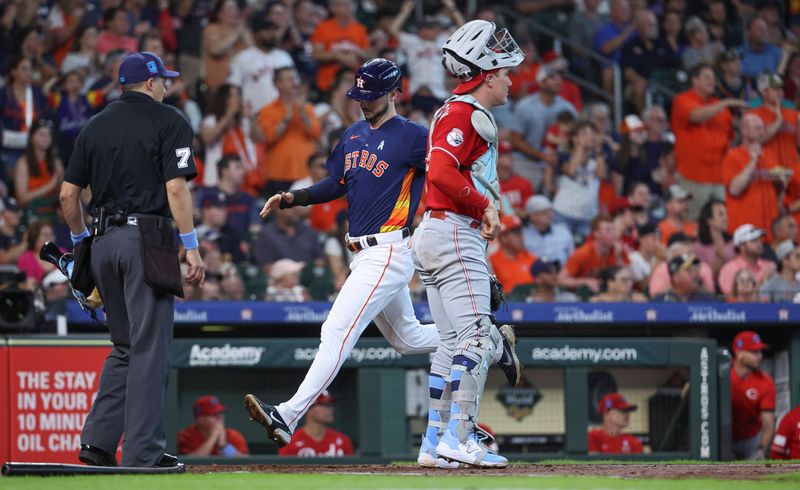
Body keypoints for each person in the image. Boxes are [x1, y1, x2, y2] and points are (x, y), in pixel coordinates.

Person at [244, 59, 519, 468]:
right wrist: (293, 197)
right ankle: (489, 340)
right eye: (359, 96)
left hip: (391, 249)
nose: (364, 103)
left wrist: (477, 218)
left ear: (394, 93)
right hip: (361, 253)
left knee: (336, 330)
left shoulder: (412, 136)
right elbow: (334, 183)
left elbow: (449, 175)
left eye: (371, 96)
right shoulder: (352, 134)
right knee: (407, 338)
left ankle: (287, 415)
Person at [60, 51, 205, 468]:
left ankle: (98, 443)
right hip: (147, 238)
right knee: (149, 347)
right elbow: (175, 188)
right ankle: (143, 452)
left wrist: (81, 241)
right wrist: (190, 246)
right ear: (150, 82)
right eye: (164, 81)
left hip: (104, 243)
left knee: (124, 346)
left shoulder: (94, 125)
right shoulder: (170, 120)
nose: (168, 87)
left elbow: (68, 196)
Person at [412, 20, 525, 468]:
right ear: (489, 74)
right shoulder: (466, 113)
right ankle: (460, 437)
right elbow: (440, 173)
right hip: (454, 229)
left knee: (450, 341)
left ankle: (433, 441)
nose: (512, 81)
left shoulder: (451, 110)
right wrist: (485, 207)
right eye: (507, 73)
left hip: (435, 232)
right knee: (478, 336)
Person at [671, 63, 742, 219]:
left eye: (713, 78)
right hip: (693, 175)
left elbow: (730, 137)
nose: (712, 81)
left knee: (720, 223)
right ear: (694, 80)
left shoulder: (719, 105)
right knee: (694, 222)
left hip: (718, 177)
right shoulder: (682, 100)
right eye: (706, 77)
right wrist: (725, 103)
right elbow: (696, 116)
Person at [508, 62, 577, 192]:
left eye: (559, 77)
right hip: (526, 163)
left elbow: (575, 137)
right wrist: (543, 157)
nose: (558, 81)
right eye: (552, 78)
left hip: (556, 164)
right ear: (541, 82)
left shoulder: (568, 108)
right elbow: (515, 139)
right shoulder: (525, 106)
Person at [252, 66, 321, 196]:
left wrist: (303, 114)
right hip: (278, 173)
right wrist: (286, 119)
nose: (294, 83)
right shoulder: (267, 110)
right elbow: (268, 138)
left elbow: (316, 133)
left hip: (304, 172)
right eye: (289, 79)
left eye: (294, 78)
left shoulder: (307, 108)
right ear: (277, 83)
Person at [723, 113, 784, 236]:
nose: (762, 132)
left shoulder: (770, 155)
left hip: (769, 228)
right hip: (745, 231)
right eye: (757, 128)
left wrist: (781, 181)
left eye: (762, 128)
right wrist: (752, 161)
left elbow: (777, 191)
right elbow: (734, 190)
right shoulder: (733, 156)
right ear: (744, 131)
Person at [227, 15, 294, 115]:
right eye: (267, 30)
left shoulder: (284, 57)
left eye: (273, 30)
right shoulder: (242, 57)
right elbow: (234, 87)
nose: (272, 34)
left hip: (282, 115)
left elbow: (295, 84)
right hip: (253, 114)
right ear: (255, 34)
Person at [731, 330, 775, 460]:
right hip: (724, 436)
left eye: (760, 351)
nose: (759, 356)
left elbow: (768, 422)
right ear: (738, 353)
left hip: (751, 439)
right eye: (754, 352)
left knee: (755, 472)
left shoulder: (765, 381)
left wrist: (761, 448)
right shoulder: (722, 372)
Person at [558, 214, 629, 294]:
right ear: (596, 233)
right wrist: (585, 282)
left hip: (611, 296)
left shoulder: (618, 249)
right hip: (583, 297)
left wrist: (619, 257)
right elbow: (561, 280)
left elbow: (628, 278)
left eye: (614, 230)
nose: (613, 234)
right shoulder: (583, 253)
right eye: (608, 230)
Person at [278, 391, 354, 457]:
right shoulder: (291, 442)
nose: (331, 409)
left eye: (331, 405)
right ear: (309, 408)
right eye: (325, 405)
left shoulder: (343, 440)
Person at [177, 395, 249, 456]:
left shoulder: (233, 435)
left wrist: (224, 446)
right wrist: (212, 438)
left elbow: (247, 464)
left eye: (220, 413)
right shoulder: (185, 437)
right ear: (200, 419)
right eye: (214, 414)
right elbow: (187, 465)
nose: (220, 417)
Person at [718, 224, 777, 297]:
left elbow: (777, 297)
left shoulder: (768, 265)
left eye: (759, 239)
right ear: (741, 246)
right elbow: (732, 299)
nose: (760, 243)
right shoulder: (729, 269)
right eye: (754, 240)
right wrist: (763, 279)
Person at [489, 214, 536, 295]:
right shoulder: (492, 261)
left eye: (521, 232)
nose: (521, 236)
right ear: (504, 237)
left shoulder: (531, 258)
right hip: (507, 305)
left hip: (532, 304)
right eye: (517, 233)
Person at [521, 195, 574, 266]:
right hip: (534, 275)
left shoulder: (563, 231)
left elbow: (572, 257)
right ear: (532, 216)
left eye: (551, 211)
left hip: (562, 273)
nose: (550, 215)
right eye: (544, 212)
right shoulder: (522, 236)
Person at [651, 253, 717, 302]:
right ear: (675, 277)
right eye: (689, 270)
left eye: (695, 269)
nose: (695, 273)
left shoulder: (706, 300)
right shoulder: (661, 302)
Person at [693, 198, 734, 276]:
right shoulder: (698, 247)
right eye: (721, 214)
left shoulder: (732, 242)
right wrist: (721, 258)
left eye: (726, 214)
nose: (726, 218)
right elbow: (702, 276)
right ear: (709, 220)